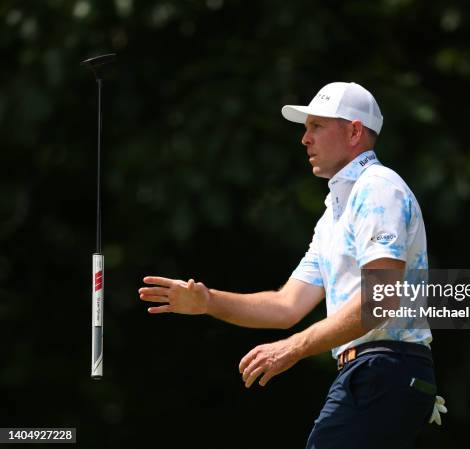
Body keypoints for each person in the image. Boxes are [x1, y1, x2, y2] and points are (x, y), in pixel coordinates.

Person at [138, 81, 446, 448]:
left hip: (386, 368)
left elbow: (380, 300)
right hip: (374, 372)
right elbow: (287, 306)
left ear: (354, 132)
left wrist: (293, 347)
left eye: (316, 126)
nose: (305, 139)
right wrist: (208, 302)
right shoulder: (334, 214)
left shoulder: (378, 187)